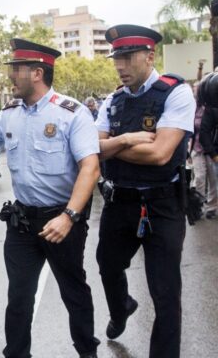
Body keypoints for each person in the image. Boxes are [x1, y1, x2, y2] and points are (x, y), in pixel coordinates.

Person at [0, 39, 101, 358]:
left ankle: (87, 351)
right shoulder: (9, 113)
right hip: (22, 222)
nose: (10, 76)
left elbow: (90, 168)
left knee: (74, 291)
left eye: (16, 70)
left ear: (37, 73)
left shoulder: (72, 114)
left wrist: (69, 216)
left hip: (62, 220)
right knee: (19, 297)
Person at [95, 25, 195, 358]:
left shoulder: (176, 92)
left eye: (127, 57)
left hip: (162, 204)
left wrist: (109, 146)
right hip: (120, 201)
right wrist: (125, 139)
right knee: (107, 266)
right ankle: (122, 307)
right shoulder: (113, 100)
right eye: (116, 58)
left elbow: (160, 154)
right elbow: (90, 148)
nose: (120, 66)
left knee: (166, 294)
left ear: (150, 56)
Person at [191, 82, 218, 219]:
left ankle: (212, 208)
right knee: (200, 178)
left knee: (213, 180)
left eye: (197, 89)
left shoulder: (212, 108)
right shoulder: (193, 108)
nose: (195, 92)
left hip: (210, 149)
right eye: (194, 89)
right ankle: (198, 207)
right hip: (197, 148)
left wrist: (213, 153)